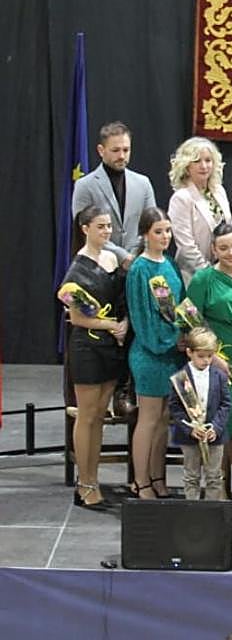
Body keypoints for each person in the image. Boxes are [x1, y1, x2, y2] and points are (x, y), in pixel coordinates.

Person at [186, 221, 232, 508]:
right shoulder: (203, 279)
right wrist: (213, 355)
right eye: (224, 248)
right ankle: (225, 482)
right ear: (214, 250)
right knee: (226, 419)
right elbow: (190, 319)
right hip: (214, 355)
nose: (231, 252)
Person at [58, 206, 129, 509]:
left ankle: (94, 479)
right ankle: (84, 483)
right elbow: (78, 318)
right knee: (87, 416)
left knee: (99, 416)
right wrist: (111, 325)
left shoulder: (112, 258)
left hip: (111, 346)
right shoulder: (77, 268)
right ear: (85, 229)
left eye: (109, 226)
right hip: (87, 347)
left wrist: (123, 323)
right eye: (100, 226)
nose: (107, 231)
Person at [125, 207, 185, 499]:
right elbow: (142, 318)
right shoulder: (140, 269)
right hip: (150, 353)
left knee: (163, 419)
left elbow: (180, 306)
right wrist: (170, 341)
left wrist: (187, 334)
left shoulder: (170, 264)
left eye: (168, 231)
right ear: (145, 234)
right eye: (158, 231)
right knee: (148, 418)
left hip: (172, 353)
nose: (165, 236)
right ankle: (141, 481)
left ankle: (158, 475)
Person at [72, 122, 157, 269]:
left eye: (126, 150)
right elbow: (84, 230)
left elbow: (151, 225)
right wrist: (122, 256)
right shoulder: (84, 185)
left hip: (137, 265)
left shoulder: (143, 183)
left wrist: (135, 256)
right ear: (101, 150)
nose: (122, 156)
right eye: (115, 150)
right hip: (99, 266)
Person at [167, 327, 231, 501]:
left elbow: (226, 404)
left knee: (214, 476)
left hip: (213, 436)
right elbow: (175, 407)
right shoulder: (181, 378)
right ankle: (192, 509)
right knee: (191, 476)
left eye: (210, 356)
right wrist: (190, 429)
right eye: (201, 356)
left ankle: (211, 510)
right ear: (189, 352)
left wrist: (216, 427)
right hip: (190, 436)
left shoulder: (219, 376)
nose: (206, 360)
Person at [167, 136, 232, 283]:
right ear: (186, 166)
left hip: (223, 271)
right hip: (195, 276)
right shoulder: (181, 198)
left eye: (208, 160)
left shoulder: (219, 191)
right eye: (197, 161)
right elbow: (186, 246)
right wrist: (208, 273)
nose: (204, 166)